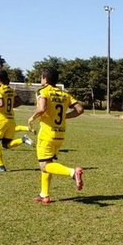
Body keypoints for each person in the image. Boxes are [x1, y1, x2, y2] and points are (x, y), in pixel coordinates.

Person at [27, 68, 84, 204]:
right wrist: (65, 116)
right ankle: (44, 195)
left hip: (47, 133)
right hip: (60, 134)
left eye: (41, 77)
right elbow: (80, 109)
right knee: (48, 163)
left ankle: (72, 173)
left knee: (44, 165)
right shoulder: (64, 94)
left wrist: (31, 118)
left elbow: (42, 108)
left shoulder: (43, 91)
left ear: (45, 79)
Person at [0, 70, 32, 172]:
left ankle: (1, 166)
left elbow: (0, 104)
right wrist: (9, 107)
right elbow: (19, 102)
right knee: (6, 144)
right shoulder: (10, 90)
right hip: (11, 119)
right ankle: (22, 140)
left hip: (1, 120)